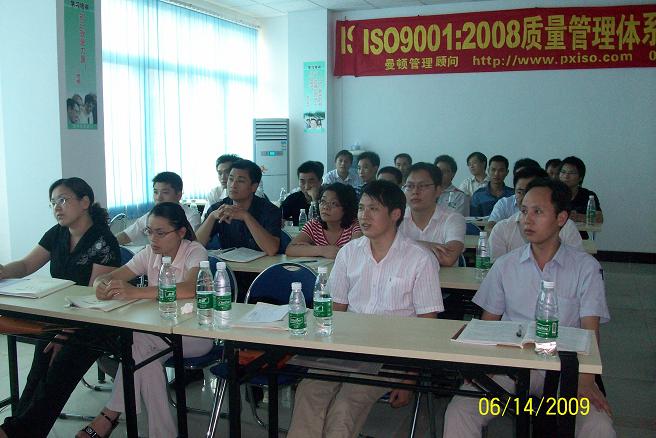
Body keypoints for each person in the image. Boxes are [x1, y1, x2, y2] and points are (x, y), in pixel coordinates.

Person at [443, 178, 616, 438]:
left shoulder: (585, 268)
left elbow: (590, 333)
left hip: (564, 369)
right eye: (524, 211)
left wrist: (586, 380)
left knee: (598, 426)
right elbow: (488, 325)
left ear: (561, 218)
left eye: (538, 212)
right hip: (509, 369)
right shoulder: (505, 265)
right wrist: (482, 366)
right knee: (460, 411)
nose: (527, 220)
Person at [287, 180, 443, 438]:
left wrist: (410, 378)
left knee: (345, 407)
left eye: (373, 209)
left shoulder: (419, 259)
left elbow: (428, 326)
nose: (364, 216)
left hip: (391, 354)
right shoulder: (349, 253)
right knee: (309, 392)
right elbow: (335, 310)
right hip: (345, 346)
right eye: (361, 208)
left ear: (395, 214)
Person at [0, 177, 121, 438]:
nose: (57, 207)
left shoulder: (103, 241)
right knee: (38, 372)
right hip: (61, 316)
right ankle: (18, 427)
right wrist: (3, 271)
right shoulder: (57, 233)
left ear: (85, 202)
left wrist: (64, 333)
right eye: (53, 202)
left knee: (58, 373)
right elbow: (26, 265)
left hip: (96, 322)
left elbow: (94, 297)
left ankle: (17, 432)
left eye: (63, 200)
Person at [79, 202, 212, 438]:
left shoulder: (194, 251)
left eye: (160, 233)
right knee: (143, 357)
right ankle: (162, 434)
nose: (153, 239)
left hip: (194, 334)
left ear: (181, 232)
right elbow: (108, 277)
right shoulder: (150, 253)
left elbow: (190, 288)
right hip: (157, 334)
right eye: (149, 232)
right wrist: (100, 285)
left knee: (136, 344)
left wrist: (136, 292)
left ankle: (109, 415)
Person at [197, 159, 281, 255]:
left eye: (240, 181)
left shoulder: (270, 210)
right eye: (231, 179)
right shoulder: (218, 208)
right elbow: (196, 246)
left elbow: (271, 250)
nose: (233, 185)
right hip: (228, 264)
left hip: (262, 264)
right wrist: (211, 217)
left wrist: (246, 216)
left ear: (254, 187)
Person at [400, 163, 465, 267]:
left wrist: (401, 245)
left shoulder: (453, 218)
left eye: (423, 186)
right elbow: (384, 251)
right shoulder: (395, 218)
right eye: (410, 186)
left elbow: (448, 258)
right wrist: (428, 246)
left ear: (438, 190)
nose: (415, 191)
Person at [116, 172, 200, 245]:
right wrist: (110, 242)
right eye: (155, 192)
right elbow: (127, 235)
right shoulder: (152, 215)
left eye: (165, 192)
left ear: (178, 195)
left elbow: (192, 244)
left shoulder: (191, 216)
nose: (158, 198)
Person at [286, 183, 361, 259]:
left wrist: (308, 249)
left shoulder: (355, 226)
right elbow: (290, 249)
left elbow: (355, 252)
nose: (325, 207)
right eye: (323, 201)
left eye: (333, 203)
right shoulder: (314, 225)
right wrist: (323, 250)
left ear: (346, 208)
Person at [204, 154, 265, 221]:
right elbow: (206, 218)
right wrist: (212, 216)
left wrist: (245, 216)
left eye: (227, 172)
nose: (223, 177)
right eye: (220, 173)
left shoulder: (257, 198)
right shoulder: (215, 194)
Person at [559, 156, 603, 224]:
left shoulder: (588, 196)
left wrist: (577, 216)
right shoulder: (551, 194)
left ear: (581, 177)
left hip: (580, 231)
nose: (566, 176)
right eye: (563, 172)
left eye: (571, 173)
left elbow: (599, 219)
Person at [282, 161, 323, 225]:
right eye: (302, 182)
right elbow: (277, 217)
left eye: (311, 181)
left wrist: (314, 199)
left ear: (320, 181)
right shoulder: (293, 198)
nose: (306, 187)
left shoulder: (328, 199)